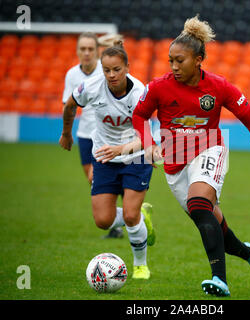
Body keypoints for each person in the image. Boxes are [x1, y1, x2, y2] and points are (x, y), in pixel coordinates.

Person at [132, 16, 250, 296]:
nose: (173, 66)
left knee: (198, 203)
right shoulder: (159, 86)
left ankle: (219, 280)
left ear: (198, 60)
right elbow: (139, 115)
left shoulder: (219, 87)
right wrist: (147, 143)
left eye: (179, 60)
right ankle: (248, 253)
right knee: (214, 226)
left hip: (210, 149)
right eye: (170, 60)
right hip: (174, 163)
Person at [59, 41, 156, 280]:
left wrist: (121, 150)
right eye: (106, 70)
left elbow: (146, 139)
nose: (111, 75)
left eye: (117, 70)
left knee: (130, 216)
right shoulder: (91, 87)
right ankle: (143, 218)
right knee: (103, 221)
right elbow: (71, 105)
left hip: (135, 156)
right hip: (104, 156)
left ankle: (140, 265)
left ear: (127, 68)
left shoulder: (139, 93)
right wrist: (66, 133)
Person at [62, 32, 123, 238]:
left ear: (97, 50)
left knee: (96, 177)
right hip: (83, 134)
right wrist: (67, 133)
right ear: (77, 50)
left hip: (103, 135)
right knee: (93, 181)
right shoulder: (72, 75)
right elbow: (68, 105)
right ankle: (120, 222)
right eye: (83, 49)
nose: (87, 53)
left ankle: (129, 215)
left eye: (90, 48)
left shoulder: (105, 70)